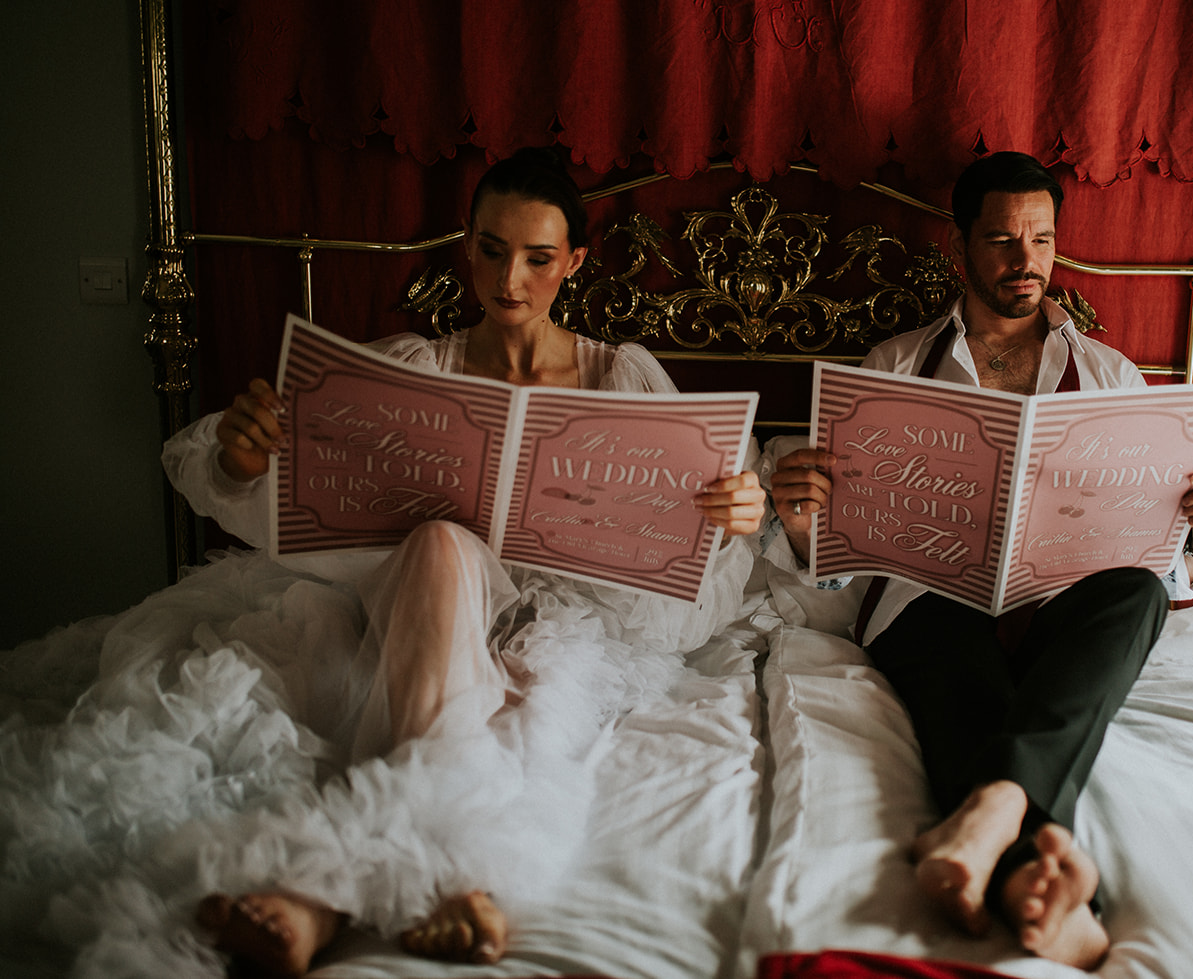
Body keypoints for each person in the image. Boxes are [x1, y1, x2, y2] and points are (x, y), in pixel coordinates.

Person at [47, 147, 764, 978]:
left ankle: (318, 901)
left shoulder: (622, 377)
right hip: (415, 591)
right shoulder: (419, 368)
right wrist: (242, 460)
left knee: (516, 702)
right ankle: (449, 882)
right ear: (467, 245)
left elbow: (688, 565)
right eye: (492, 250)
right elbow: (301, 494)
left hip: (556, 620)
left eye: (538, 258)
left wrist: (730, 522)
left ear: (573, 262)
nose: (511, 280)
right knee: (440, 544)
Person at [764, 151, 1193, 969]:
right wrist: (804, 517)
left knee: (1136, 597)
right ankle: (1039, 867)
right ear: (961, 246)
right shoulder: (893, 366)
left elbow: (1157, 551)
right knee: (960, 682)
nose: (1026, 259)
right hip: (931, 599)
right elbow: (844, 558)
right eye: (1002, 240)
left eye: (1042, 239)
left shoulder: (1112, 376)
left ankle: (988, 816)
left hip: (1063, 599)